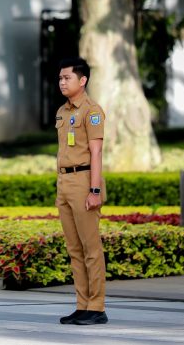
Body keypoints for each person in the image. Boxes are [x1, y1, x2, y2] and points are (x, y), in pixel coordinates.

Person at [55, 57, 108, 325]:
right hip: (65, 183)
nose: (62, 82)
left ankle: (96, 307)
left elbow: (96, 152)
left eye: (68, 78)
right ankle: (82, 304)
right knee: (74, 249)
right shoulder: (62, 112)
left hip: (85, 180)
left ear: (82, 80)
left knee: (90, 248)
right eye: (61, 78)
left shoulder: (92, 111)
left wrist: (95, 190)